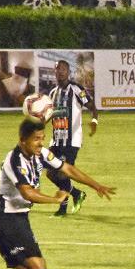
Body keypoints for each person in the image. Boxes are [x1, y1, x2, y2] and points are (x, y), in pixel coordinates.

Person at [0, 119, 116, 269]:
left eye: (42, 138)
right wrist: (54, 200)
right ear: (22, 140)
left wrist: (95, 185)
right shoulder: (14, 159)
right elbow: (27, 192)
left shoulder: (40, 154)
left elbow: (66, 168)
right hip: (5, 219)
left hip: (16, 218)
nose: (40, 143)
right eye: (36, 139)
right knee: (36, 264)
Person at [45, 59, 99, 216]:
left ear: (68, 72)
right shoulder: (52, 93)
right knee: (50, 173)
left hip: (72, 140)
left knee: (62, 172)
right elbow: (49, 115)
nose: (59, 72)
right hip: (56, 140)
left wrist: (94, 121)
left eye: (62, 69)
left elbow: (92, 107)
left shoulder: (76, 89)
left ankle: (63, 208)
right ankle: (76, 194)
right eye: (56, 69)